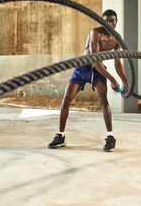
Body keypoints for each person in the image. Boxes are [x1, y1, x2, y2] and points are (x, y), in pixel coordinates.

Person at [48, 9, 129, 152]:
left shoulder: (117, 38)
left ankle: (110, 137)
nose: (109, 23)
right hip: (83, 68)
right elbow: (95, 60)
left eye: (112, 20)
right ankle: (60, 136)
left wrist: (125, 82)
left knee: (104, 100)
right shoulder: (95, 33)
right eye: (106, 20)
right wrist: (112, 80)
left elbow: (118, 63)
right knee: (67, 99)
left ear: (116, 22)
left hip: (98, 71)